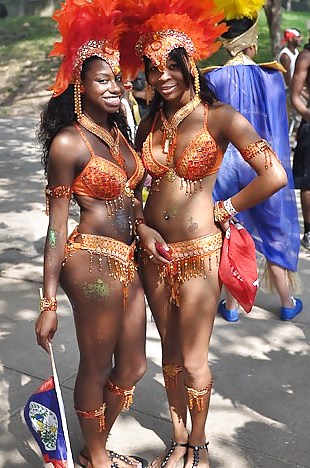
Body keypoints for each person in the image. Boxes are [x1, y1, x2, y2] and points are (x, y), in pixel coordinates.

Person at [119, 1, 288, 467]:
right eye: (153, 70)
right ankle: (178, 441)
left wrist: (228, 207)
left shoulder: (219, 117)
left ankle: (199, 445)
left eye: (171, 66)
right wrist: (142, 224)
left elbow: (272, 173)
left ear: (188, 65)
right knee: (169, 354)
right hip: (153, 253)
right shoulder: (149, 123)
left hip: (200, 253)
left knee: (193, 360)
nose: (162, 77)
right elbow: (132, 189)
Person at [34, 1, 147, 468]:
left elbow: (130, 201)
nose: (116, 87)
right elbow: (57, 226)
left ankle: (91, 444)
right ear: (79, 86)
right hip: (90, 264)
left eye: (118, 79)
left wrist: (146, 228)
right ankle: (97, 457)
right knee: (97, 365)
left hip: (129, 258)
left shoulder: (121, 135)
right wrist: (47, 301)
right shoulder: (69, 142)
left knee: (134, 366)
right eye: (103, 79)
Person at [204, 5, 303, 322]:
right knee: (273, 229)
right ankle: (287, 302)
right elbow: (276, 125)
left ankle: (231, 307)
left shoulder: (213, 78)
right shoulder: (272, 77)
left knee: (233, 228)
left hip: (227, 166)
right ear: (251, 40)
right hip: (262, 162)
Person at [291, 36, 310, 250]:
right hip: (309, 125)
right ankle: (309, 231)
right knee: (308, 182)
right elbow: (295, 96)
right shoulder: (306, 56)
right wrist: (307, 114)